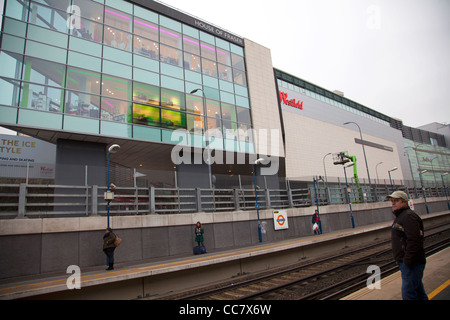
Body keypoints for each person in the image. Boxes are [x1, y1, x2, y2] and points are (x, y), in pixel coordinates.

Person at [387, 191, 428, 300]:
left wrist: (407, 261)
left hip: (412, 264)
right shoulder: (401, 216)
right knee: (419, 292)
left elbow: (414, 241)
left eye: (396, 201)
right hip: (408, 263)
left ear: (404, 202)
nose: (393, 203)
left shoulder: (409, 216)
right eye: (392, 201)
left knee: (408, 295)